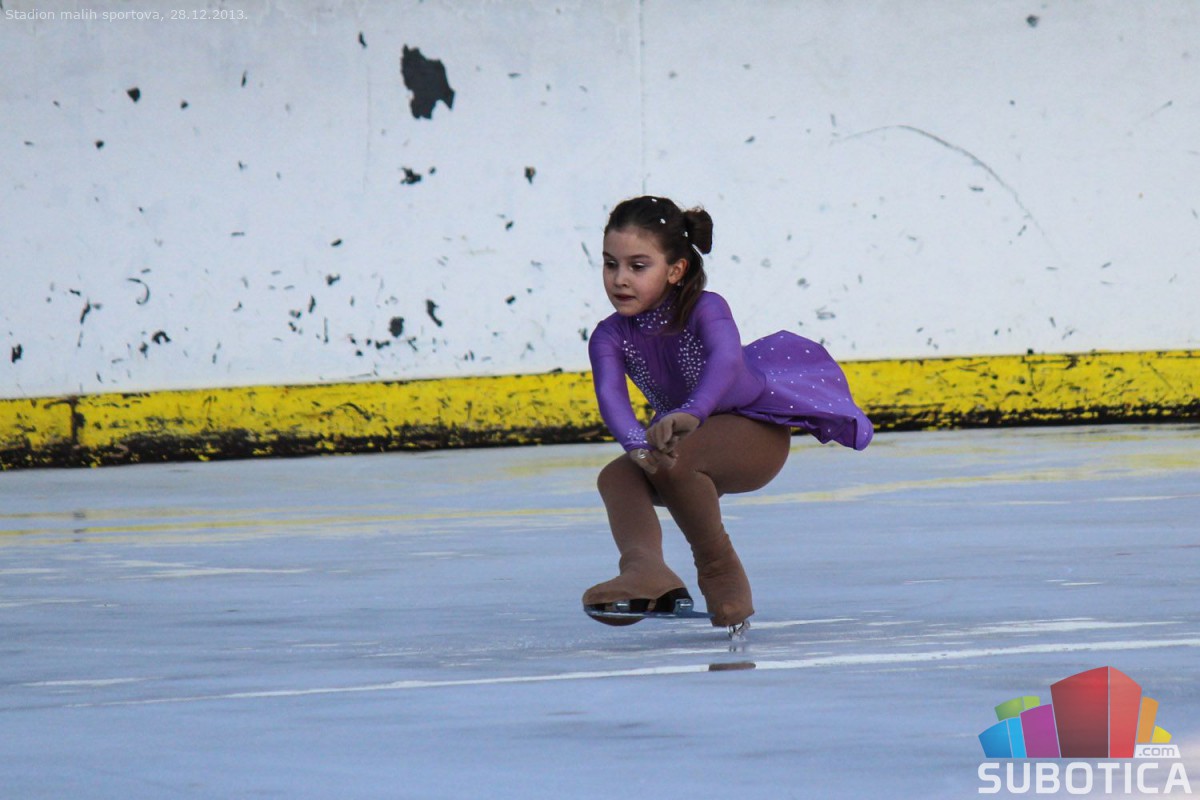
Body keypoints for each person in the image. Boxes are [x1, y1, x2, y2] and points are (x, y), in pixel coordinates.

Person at [582, 195, 873, 631]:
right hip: (687, 435)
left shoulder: (706, 308)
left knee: (677, 459)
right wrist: (637, 446)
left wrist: (692, 412)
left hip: (754, 429)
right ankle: (645, 570)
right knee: (617, 476)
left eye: (637, 266)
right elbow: (611, 395)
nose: (619, 279)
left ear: (675, 270)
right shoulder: (609, 336)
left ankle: (719, 570)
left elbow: (726, 363)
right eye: (610, 264)